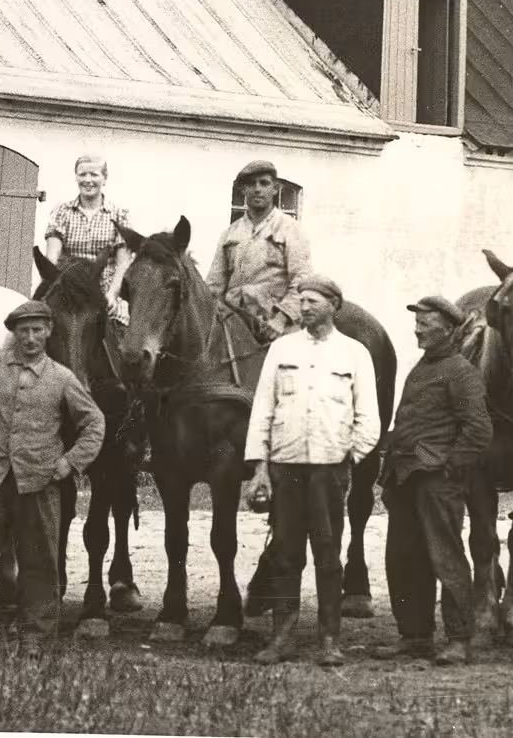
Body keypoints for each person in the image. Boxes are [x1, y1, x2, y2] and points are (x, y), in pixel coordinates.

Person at [0, 301, 105, 655]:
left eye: (37, 330)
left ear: (49, 332)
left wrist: (70, 462)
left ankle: (35, 640)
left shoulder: (61, 377)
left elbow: (94, 423)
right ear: (14, 332)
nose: (30, 338)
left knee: (40, 563)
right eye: (24, 330)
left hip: (40, 484)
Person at [242, 275, 380, 666]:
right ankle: (281, 639)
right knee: (285, 554)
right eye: (301, 301)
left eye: (312, 301)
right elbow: (262, 411)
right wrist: (260, 469)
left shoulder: (354, 353)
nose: (303, 307)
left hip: (328, 472)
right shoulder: (281, 349)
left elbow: (369, 417)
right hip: (285, 469)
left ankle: (329, 640)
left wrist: (348, 457)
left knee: (328, 556)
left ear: (333, 305)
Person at [376, 295, 492, 665]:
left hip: (436, 481)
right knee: (404, 558)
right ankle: (415, 637)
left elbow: (479, 429)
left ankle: (459, 639)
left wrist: (449, 471)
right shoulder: (422, 367)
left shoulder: (460, 371)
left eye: (425, 325)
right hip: (405, 478)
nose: (417, 330)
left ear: (447, 330)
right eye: (417, 323)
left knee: (446, 557)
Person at [206, 159, 312, 346]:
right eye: (251, 184)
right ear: (243, 190)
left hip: (276, 324)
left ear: (275, 189)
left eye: (264, 183)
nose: (257, 189)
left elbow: (302, 280)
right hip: (234, 322)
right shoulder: (230, 233)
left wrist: (282, 319)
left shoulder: (289, 229)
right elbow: (215, 285)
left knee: (287, 361)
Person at [43, 154, 133, 323]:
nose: (88, 180)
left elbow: (123, 263)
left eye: (94, 174)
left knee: (123, 330)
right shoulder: (62, 212)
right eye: (82, 174)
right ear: (76, 177)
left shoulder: (119, 215)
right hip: (68, 292)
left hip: (106, 291)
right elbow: (52, 258)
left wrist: (112, 295)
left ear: (104, 178)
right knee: (33, 323)